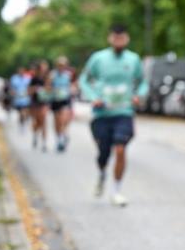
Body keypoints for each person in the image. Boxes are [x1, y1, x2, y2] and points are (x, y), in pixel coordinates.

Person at [79, 24, 148, 206]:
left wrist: (138, 96)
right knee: (103, 154)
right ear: (110, 38)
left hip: (124, 112)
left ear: (127, 39)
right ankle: (102, 172)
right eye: (115, 37)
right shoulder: (98, 58)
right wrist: (94, 97)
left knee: (120, 148)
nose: (119, 41)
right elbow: (84, 80)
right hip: (102, 114)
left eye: (122, 37)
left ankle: (116, 191)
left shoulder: (133, 59)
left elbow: (142, 82)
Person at [50, 56, 75, 152]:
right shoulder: (52, 75)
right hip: (55, 100)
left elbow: (73, 85)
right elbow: (48, 86)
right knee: (57, 121)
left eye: (63, 65)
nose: (61, 67)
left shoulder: (68, 75)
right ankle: (59, 138)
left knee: (63, 119)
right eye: (60, 65)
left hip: (65, 99)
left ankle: (64, 134)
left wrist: (72, 89)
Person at [28, 60, 51, 151]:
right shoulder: (34, 79)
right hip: (35, 102)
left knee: (44, 121)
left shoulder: (47, 78)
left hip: (44, 102)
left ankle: (44, 143)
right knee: (37, 122)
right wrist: (36, 88)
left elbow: (50, 89)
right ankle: (35, 135)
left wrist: (46, 88)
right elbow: (29, 91)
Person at [9, 66, 32, 131]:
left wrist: (29, 93)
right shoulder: (14, 78)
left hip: (26, 99)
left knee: (25, 111)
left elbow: (30, 88)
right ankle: (21, 124)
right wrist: (13, 93)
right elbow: (12, 88)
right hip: (18, 99)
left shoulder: (28, 78)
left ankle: (24, 122)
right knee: (21, 113)